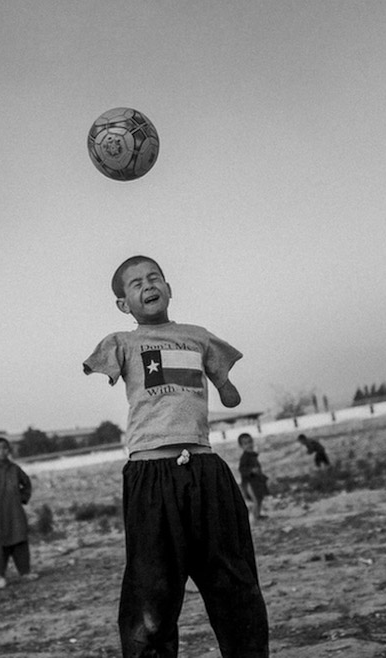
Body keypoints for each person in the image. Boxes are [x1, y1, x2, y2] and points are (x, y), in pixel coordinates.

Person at [83, 255, 269, 658]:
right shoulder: (121, 343)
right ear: (123, 304)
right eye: (135, 284)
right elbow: (98, 367)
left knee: (234, 584)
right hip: (151, 477)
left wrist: (225, 384)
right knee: (152, 594)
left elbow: (225, 385)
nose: (147, 286)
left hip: (205, 471)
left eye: (154, 278)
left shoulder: (198, 336)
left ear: (169, 288)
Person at [0, 436, 38, 589]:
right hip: (0, 515)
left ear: (9, 450)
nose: (2, 452)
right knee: (1, 546)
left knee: (21, 542)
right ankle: (1, 577)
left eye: (5, 448)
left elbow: (26, 484)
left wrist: (22, 498)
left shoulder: (15, 469)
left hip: (15, 513)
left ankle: (25, 572)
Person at [237, 432, 269, 521]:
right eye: (245, 443)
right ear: (241, 446)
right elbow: (242, 470)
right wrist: (251, 471)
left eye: (250, 442)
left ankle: (258, 515)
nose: (249, 445)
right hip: (249, 483)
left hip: (256, 481)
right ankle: (255, 517)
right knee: (256, 499)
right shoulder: (244, 457)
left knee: (259, 498)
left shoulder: (252, 455)